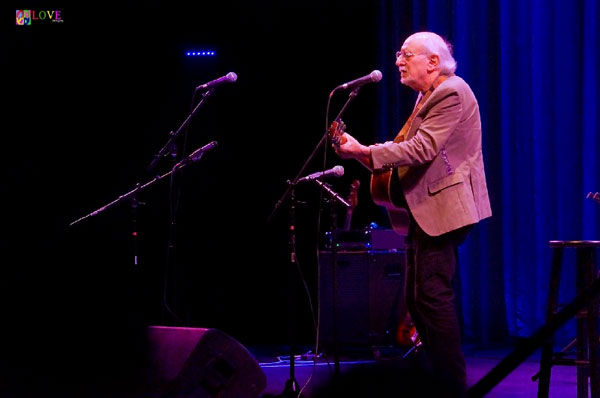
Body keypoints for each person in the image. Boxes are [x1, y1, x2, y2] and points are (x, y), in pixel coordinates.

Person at [333, 31, 492, 397]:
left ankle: (451, 385)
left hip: (445, 209)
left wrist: (363, 151)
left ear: (432, 62)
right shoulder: (427, 95)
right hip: (425, 210)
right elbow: (407, 149)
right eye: (398, 54)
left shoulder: (452, 91)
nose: (398, 61)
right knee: (418, 300)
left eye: (405, 55)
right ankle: (436, 380)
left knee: (432, 297)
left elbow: (422, 149)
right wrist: (361, 153)